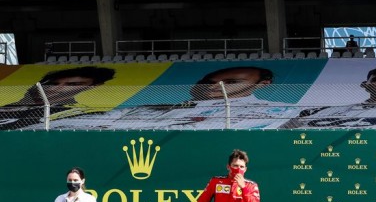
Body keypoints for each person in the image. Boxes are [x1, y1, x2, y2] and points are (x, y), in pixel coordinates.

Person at [53, 66, 292, 130]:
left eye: (230, 83)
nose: (215, 87)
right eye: (208, 82)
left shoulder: (280, 113)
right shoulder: (155, 108)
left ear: (262, 85)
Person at [0, 66, 116, 130]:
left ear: (92, 87)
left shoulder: (76, 115)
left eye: (72, 85)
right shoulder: (7, 108)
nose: (53, 89)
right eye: (53, 84)